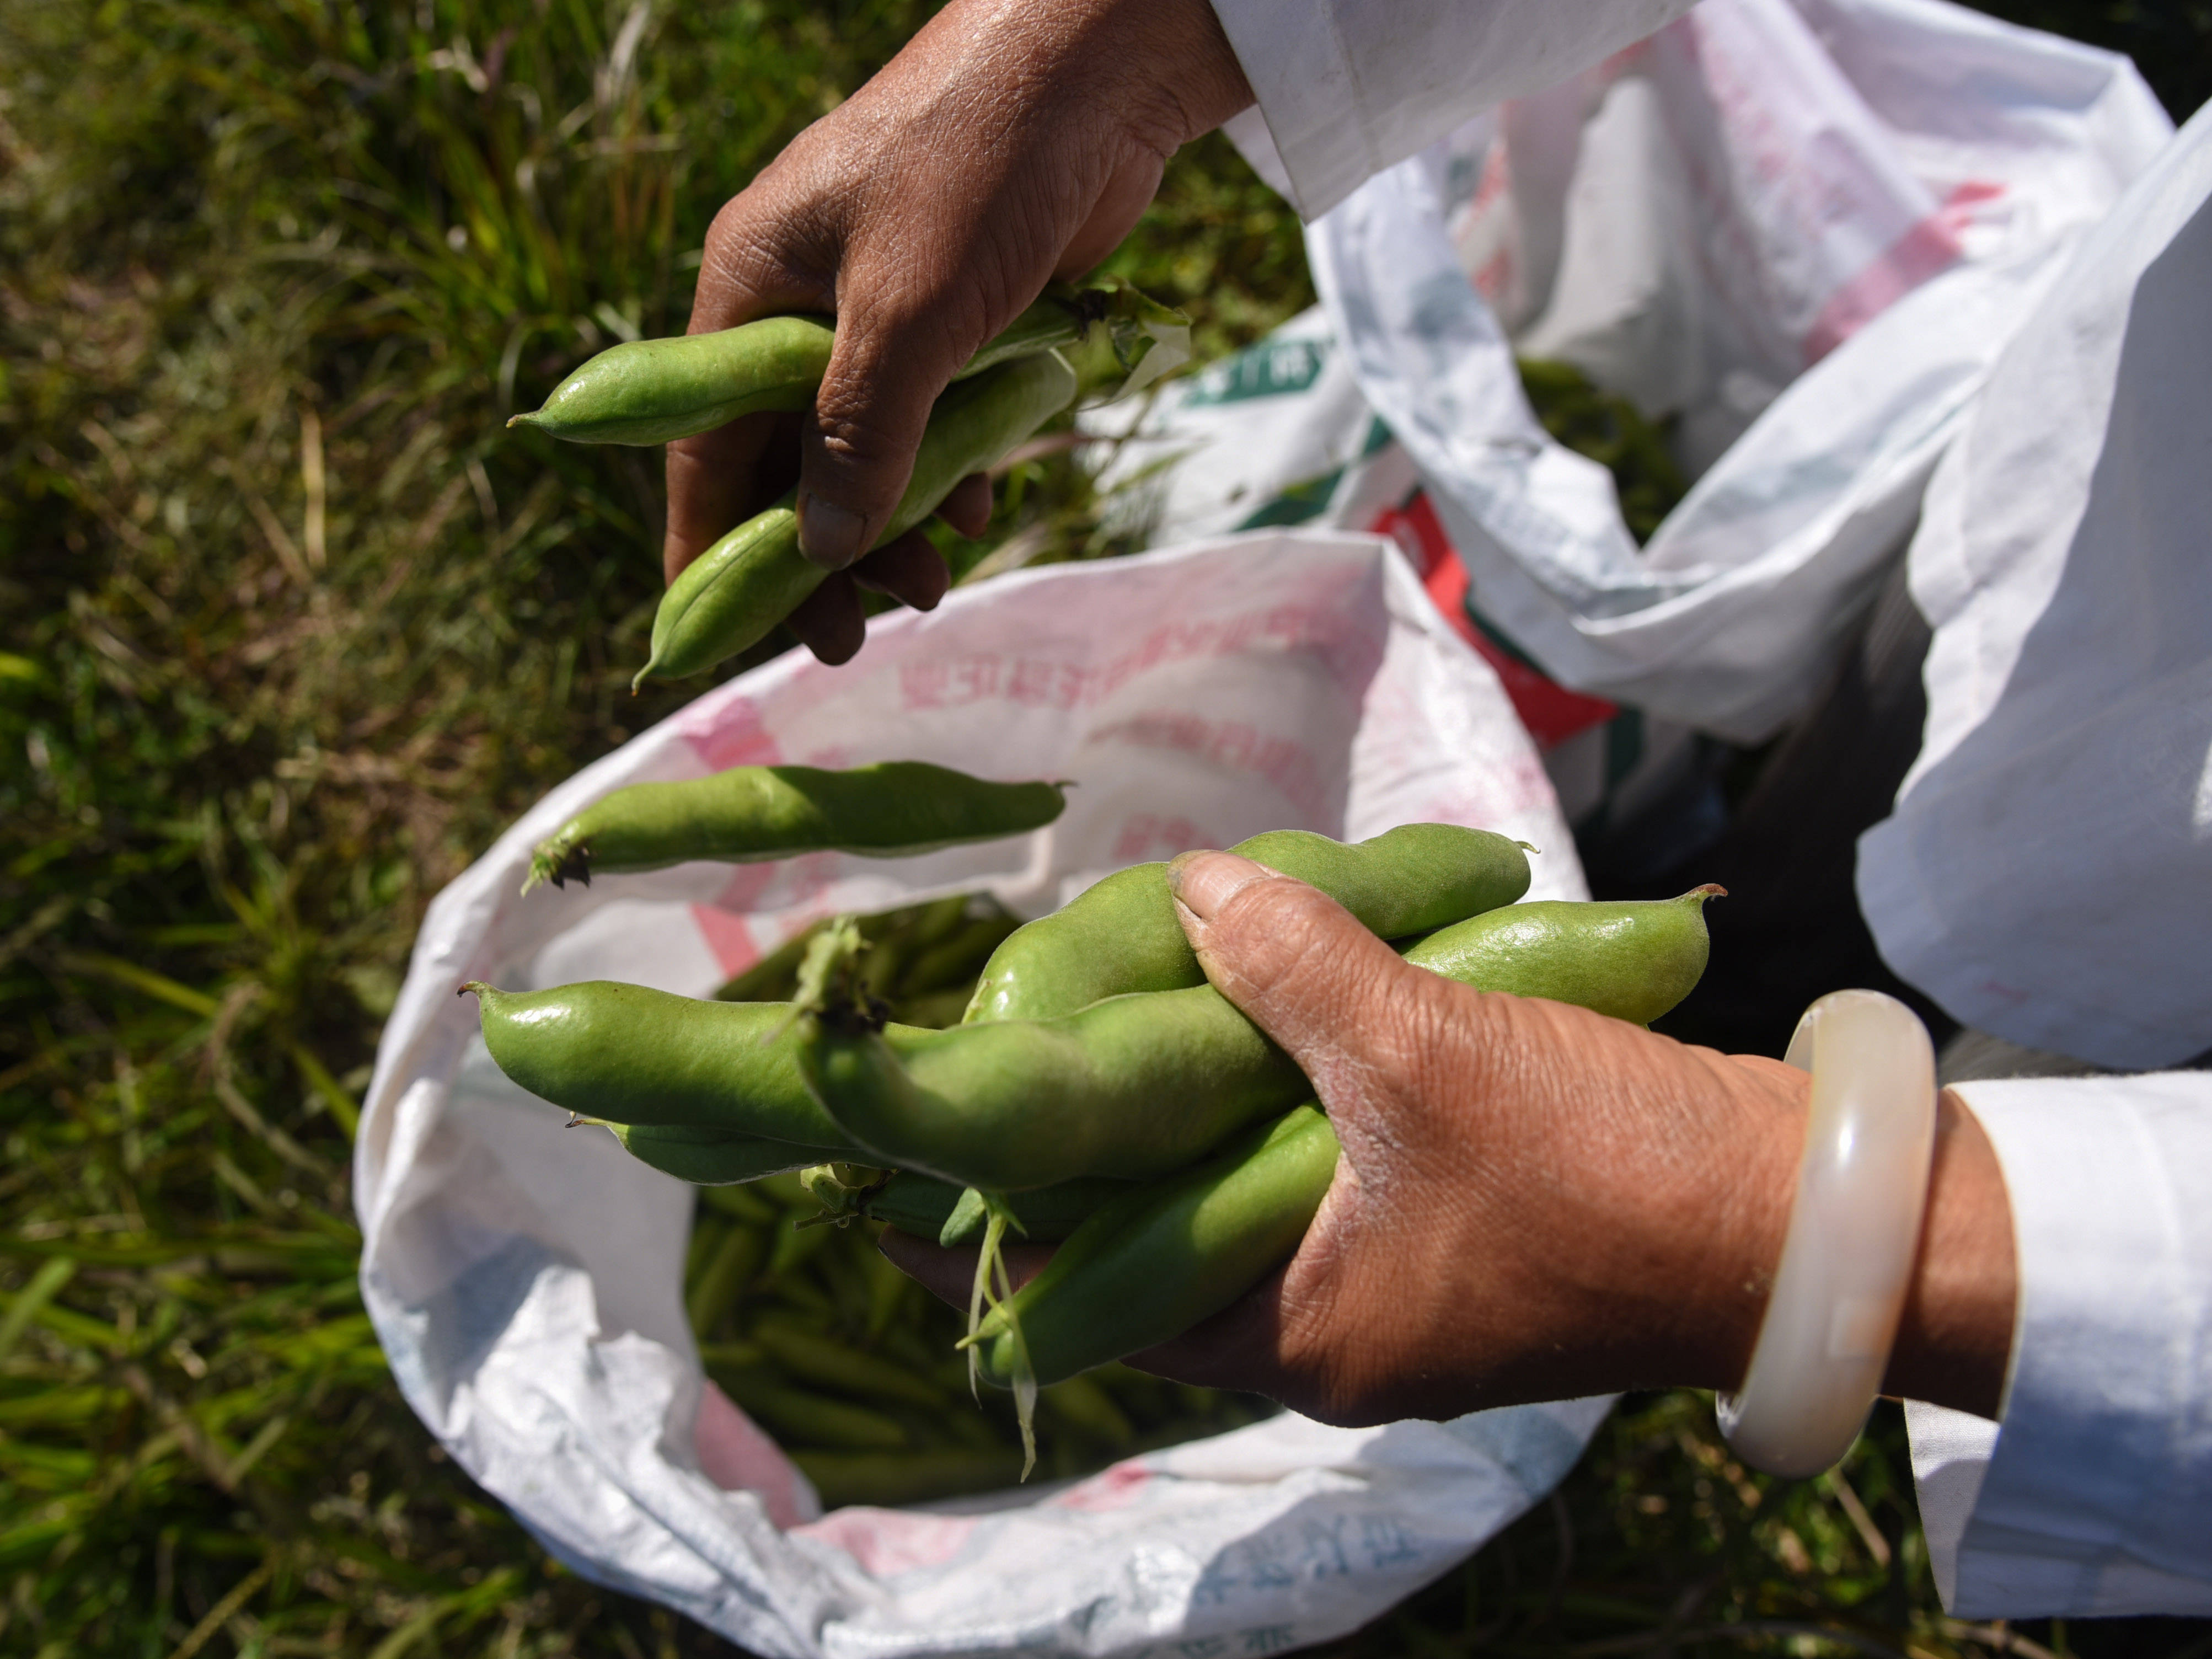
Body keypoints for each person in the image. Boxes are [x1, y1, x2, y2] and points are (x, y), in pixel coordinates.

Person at [667, 0, 2212, 1615]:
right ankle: (1755, 986)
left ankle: (1749, 1041)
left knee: (1943, 998)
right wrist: (1105, 46)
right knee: (1895, 786)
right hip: (2131, 534)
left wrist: (1752, 1228)